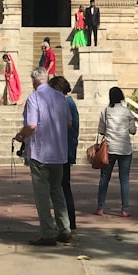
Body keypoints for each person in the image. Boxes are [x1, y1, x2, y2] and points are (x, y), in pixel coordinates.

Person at [14, 66, 72, 246]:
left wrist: (20, 135)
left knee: (42, 195)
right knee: (58, 192)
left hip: (40, 153)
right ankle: (65, 228)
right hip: (59, 152)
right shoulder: (61, 98)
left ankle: (48, 232)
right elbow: (69, 122)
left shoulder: (34, 98)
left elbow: (31, 125)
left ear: (33, 81)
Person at [95, 86, 137, 217]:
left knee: (104, 178)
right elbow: (133, 131)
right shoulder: (127, 112)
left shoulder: (106, 111)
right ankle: (124, 209)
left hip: (109, 148)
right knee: (124, 179)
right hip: (125, 149)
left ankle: (100, 208)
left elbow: (101, 130)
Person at [49, 75, 79, 231]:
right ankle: (69, 222)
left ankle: (65, 222)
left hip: (61, 151)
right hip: (67, 150)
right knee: (64, 187)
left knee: (59, 188)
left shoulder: (65, 103)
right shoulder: (70, 103)